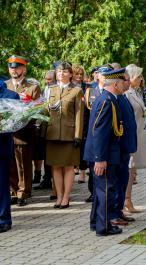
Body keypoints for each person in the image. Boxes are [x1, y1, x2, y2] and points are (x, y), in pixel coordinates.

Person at [84, 68, 127, 236]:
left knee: (100, 190)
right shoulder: (106, 101)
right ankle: (104, 227)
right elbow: (99, 132)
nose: (125, 85)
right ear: (115, 84)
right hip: (104, 155)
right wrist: (100, 159)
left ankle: (96, 222)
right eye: (123, 82)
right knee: (106, 191)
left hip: (106, 153)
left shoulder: (109, 98)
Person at [45, 62, 84, 208]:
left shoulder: (76, 91)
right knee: (55, 166)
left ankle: (66, 197)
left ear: (70, 74)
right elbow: (45, 112)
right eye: (59, 71)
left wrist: (78, 136)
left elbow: (79, 115)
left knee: (68, 167)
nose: (61, 73)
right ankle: (59, 196)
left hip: (69, 135)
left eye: (65, 71)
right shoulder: (50, 90)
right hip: (53, 133)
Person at [5, 55, 41, 206]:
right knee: (10, 163)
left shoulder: (32, 87)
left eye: (17, 67)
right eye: (11, 68)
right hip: (6, 132)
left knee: (23, 163)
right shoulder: (4, 85)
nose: (14, 70)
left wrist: (28, 108)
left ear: (24, 69)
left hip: (24, 131)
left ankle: (23, 192)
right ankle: (13, 191)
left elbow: (38, 109)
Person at [109, 69, 137, 226]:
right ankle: (114, 213)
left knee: (123, 180)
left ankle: (119, 211)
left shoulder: (123, 97)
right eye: (125, 80)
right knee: (117, 182)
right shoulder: (116, 99)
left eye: (127, 79)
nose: (128, 82)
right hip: (119, 149)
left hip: (125, 148)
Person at [124, 64, 146, 212]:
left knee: (133, 171)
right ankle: (125, 201)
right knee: (129, 170)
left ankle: (128, 199)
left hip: (139, 135)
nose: (141, 79)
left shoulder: (136, 92)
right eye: (138, 77)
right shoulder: (127, 94)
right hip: (131, 136)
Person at [83, 65, 114, 203]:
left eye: (107, 75)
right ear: (97, 76)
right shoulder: (91, 91)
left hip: (103, 136)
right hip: (93, 133)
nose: (103, 77)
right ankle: (92, 192)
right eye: (101, 74)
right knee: (94, 170)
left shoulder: (110, 94)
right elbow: (87, 114)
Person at [0, 80, 20, 233]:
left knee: (1, 185)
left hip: (1, 146)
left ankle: (4, 219)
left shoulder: (11, 95)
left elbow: (17, 121)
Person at [35, 70, 56, 191]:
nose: (48, 82)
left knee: (52, 155)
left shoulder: (57, 89)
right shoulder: (44, 89)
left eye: (50, 79)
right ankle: (47, 178)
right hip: (44, 126)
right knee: (45, 154)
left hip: (54, 126)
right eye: (46, 79)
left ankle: (51, 179)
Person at [72, 64, 89, 184]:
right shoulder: (69, 87)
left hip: (85, 120)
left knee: (83, 147)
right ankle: (73, 169)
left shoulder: (87, 87)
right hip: (71, 121)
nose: (79, 76)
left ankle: (82, 173)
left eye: (81, 74)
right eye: (76, 74)